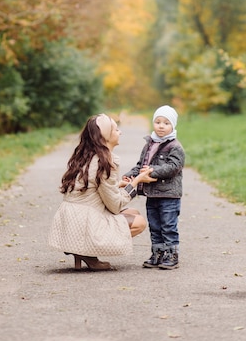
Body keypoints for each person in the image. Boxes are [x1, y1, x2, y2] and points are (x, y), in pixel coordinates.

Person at [48, 113, 156, 271]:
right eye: (116, 129)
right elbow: (115, 206)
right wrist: (136, 181)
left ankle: (82, 250)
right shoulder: (105, 162)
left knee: (134, 212)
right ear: (105, 137)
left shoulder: (85, 155)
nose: (120, 132)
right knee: (139, 222)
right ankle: (87, 251)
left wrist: (118, 184)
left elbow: (92, 188)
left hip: (71, 219)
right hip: (83, 223)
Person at [123, 105, 185, 269]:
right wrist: (131, 174)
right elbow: (141, 165)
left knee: (168, 227)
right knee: (155, 226)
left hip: (169, 195)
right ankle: (157, 254)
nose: (161, 126)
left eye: (166, 123)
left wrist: (153, 170)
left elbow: (174, 167)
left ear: (173, 126)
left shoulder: (175, 147)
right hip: (152, 195)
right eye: (158, 122)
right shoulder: (149, 145)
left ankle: (171, 255)